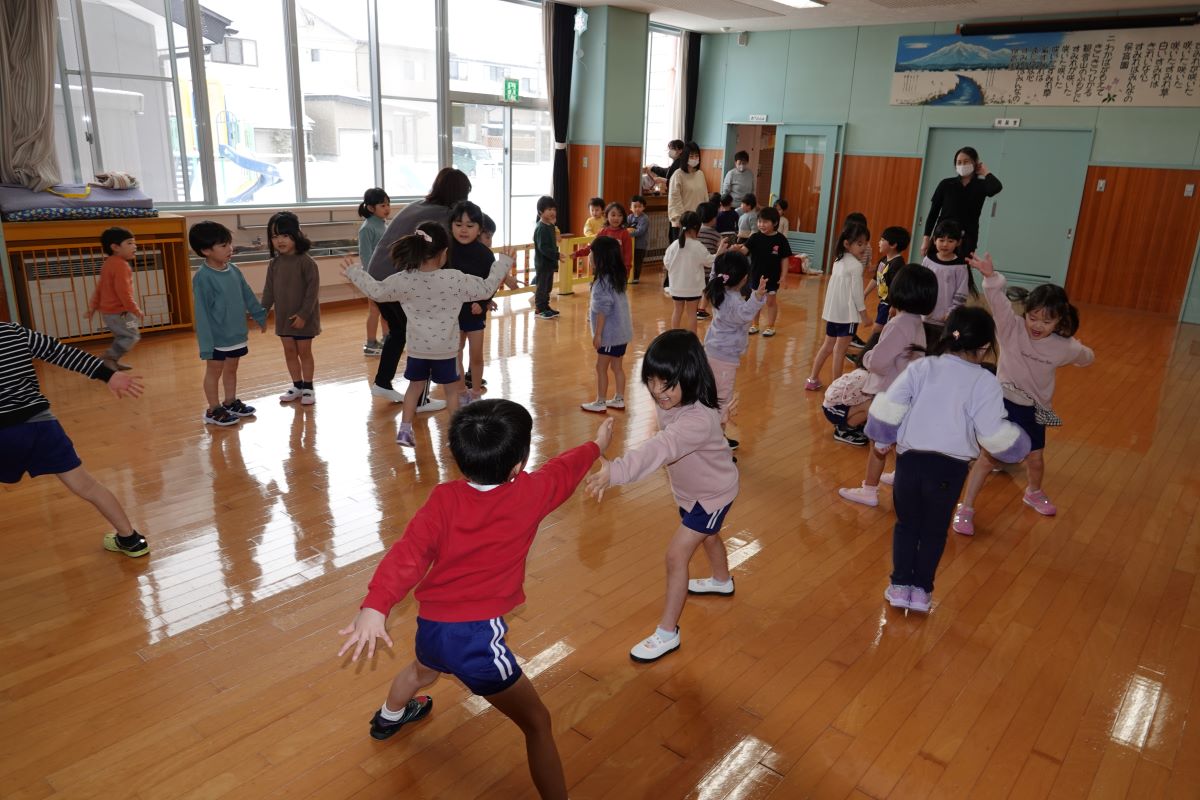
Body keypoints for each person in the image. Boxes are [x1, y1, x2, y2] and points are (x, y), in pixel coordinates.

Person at [337, 399, 613, 800]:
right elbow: (563, 471)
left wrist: (376, 605)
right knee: (537, 722)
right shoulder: (531, 492)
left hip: (433, 627)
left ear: (459, 456)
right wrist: (596, 445)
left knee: (421, 672)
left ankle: (388, 718)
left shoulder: (443, 499)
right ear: (518, 464)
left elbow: (408, 554)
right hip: (476, 642)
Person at [865, 306, 1030, 613]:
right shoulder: (984, 381)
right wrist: (1015, 445)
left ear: (946, 336)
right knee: (933, 531)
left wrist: (885, 440)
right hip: (949, 470)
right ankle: (922, 592)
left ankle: (899, 586)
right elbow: (992, 432)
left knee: (907, 526)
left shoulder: (921, 367)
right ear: (983, 347)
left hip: (911, 463)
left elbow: (891, 406)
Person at [586, 330, 738, 662]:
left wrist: (616, 471)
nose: (657, 391)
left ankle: (667, 632)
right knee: (709, 536)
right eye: (652, 381)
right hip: (692, 493)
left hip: (711, 494)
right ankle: (721, 580)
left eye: (666, 384)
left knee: (676, 556)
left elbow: (661, 447)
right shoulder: (677, 401)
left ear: (689, 376)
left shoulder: (695, 419)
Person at [952, 253, 1095, 535]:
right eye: (1033, 317)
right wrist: (991, 277)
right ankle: (965, 507)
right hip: (1004, 404)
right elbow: (997, 301)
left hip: (1036, 410)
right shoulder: (1011, 329)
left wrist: (1080, 350)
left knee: (1036, 459)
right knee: (987, 458)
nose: (1037, 325)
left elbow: (1086, 357)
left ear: (1059, 322)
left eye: (1047, 321)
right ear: (1025, 313)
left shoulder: (1062, 347)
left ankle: (1033, 491)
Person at [345, 222, 516, 447]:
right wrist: (503, 263)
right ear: (444, 252)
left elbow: (376, 290)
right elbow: (485, 289)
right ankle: (455, 436)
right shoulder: (454, 279)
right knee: (452, 392)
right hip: (445, 351)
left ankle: (405, 430)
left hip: (418, 350)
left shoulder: (404, 279)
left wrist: (355, 274)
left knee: (414, 388)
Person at [0, 322, 148, 557]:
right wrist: (107, 375)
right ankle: (130, 539)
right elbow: (61, 353)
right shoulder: (13, 331)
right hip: (40, 425)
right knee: (86, 485)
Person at [366, 167, 472, 411]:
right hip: (395, 276)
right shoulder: (443, 214)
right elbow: (441, 256)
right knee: (420, 332)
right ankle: (420, 399)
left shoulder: (419, 205)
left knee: (400, 331)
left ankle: (383, 382)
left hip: (378, 274)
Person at [838, 264, 938, 507]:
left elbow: (879, 362)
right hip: (906, 394)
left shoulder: (898, 323)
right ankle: (899, 476)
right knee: (897, 439)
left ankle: (869, 490)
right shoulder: (917, 323)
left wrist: (869, 356)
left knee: (877, 443)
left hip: (887, 394)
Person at [189, 220, 267, 427]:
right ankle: (213, 409)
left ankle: (230, 401)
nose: (230, 249)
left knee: (232, 368)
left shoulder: (233, 270)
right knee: (214, 371)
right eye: (223, 245)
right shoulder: (203, 278)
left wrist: (259, 314)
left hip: (236, 333)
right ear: (206, 250)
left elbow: (247, 293)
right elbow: (202, 314)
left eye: (229, 244)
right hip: (217, 338)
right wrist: (206, 345)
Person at [703, 251, 767, 452]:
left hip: (712, 351)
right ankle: (716, 442)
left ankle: (713, 436)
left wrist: (720, 254)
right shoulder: (734, 301)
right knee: (723, 398)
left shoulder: (718, 291)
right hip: (725, 358)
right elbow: (744, 314)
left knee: (712, 395)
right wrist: (757, 296)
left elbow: (714, 274)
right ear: (744, 277)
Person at [262, 212, 321, 406]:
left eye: (285, 235)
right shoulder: (274, 264)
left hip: (304, 318)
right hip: (284, 318)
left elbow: (312, 293)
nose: (280, 240)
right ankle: (297, 385)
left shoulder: (306, 262)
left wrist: (304, 315)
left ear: (297, 234)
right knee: (289, 351)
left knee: (304, 352)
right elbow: (269, 290)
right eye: (275, 236)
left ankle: (308, 387)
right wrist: (263, 312)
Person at [805, 221, 871, 390]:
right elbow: (857, 294)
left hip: (833, 314)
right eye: (859, 243)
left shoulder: (838, 261)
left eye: (865, 243)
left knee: (828, 346)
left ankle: (812, 379)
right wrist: (864, 315)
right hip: (847, 316)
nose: (863, 247)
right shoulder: (855, 266)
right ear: (847, 244)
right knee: (839, 351)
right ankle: (836, 387)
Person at [447, 201, 499, 403]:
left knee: (476, 355)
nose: (463, 230)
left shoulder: (485, 254)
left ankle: (476, 392)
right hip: (453, 313)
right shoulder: (446, 251)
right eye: (458, 224)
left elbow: (491, 282)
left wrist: (485, 301)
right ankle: (461, 392)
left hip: (476, 313)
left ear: (479, 229)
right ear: (451, 225)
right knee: (456, 352)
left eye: (470, 226)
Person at [580, 236, 633, 413]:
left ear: (599, 257)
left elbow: (603, 309)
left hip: (610, 335)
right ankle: (619, 399)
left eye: (591, 253)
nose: (589, 257)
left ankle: (600, 401)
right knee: (617, 367)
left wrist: (598, 334)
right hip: (621, 334)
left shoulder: (602, 282)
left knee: (600, 367)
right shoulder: (617, 277)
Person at [920, 146, 1002, 259]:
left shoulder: (981, 185)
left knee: (961, 271)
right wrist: (926, 239)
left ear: (975, 163)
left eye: (966, 161)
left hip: (967, 238)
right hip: (942, 236)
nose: (962, 165)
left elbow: (996, 187)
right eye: (959, 162)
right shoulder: (946, 184)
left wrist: (985, 171)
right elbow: (933, 213)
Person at [88, 226, 142, 371]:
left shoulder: (108, 263)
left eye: (134, 243)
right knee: (131, 336)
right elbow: (123, 292)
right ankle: (108, 359)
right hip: (119, 312)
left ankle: (112, 361)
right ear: (115, 247)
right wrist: (135, 309)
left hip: (109, 312)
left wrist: (93, 307)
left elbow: (100, 287)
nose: (135, 246)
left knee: (123, 336)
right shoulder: (121, 266)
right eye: (130, 243)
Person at [663, 211, 727, 333]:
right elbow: (709, 262)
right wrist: (719, 252)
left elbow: (666, 263)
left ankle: (673, 337)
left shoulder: (674, 245)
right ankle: (692, 340)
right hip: (693, 288)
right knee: (692, 314)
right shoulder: (697, 245)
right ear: (696, 228)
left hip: (676, 287)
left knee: (677, 311)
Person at [921, 218, 975, 340]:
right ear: (934, 240)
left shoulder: (960, 266)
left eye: (950, 241)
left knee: (952, 339)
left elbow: (961, 293)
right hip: (926, 316)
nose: (945, 244)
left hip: (947, 319)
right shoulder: (927, 261)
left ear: (958, 243)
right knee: (923, 344)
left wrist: (952, 312)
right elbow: (920, 286)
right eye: (941, 240)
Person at [743, 206, 792, 337]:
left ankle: (770, 326)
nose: (761, 225)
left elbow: (784, 259)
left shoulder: (781, 239)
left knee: (770, 302)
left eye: (765, 222)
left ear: (775, 223)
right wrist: (736, 248)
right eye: (759, 222)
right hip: (756, 276)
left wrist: (783, 276)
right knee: (755, 301)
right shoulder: (754, 237)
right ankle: (755, 324)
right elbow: (744, 251)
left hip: (772, 277)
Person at [666, 142, 709, 279]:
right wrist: (681, 219)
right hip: (682, 222)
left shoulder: (700, 174)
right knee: (679, 255)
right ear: (685, 156)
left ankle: (690, 280)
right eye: (691, 155)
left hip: (698, 222)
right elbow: (674, 200)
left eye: (697, 155)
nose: (694, 158)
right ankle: (671, 281)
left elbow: (704, 197)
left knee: (694, 255)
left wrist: (705, 217)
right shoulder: (678, 175)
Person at [861, 226, 911, 343]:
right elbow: (876, 278)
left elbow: (897, 287)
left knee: (877, 330)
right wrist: (865, 293)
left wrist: (894, 306)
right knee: (881, 331)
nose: (879, 242)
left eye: (883, 240)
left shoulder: (898, 264)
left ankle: (867, 354)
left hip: (889, 303)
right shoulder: (884, 260)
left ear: (893, 245)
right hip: (883, 302)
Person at [357, 188, 391, 356]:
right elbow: (365, 255)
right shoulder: (367, 228)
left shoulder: (384, 224)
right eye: (382, 205)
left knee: (386, 310)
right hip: (373, 277)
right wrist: (372, 277)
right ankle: (371, 343)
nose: (387, 208)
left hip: (385, 275)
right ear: (371, 208)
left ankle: (387, 339)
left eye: (388, 204)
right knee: (375, 311)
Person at [575, 201, 632, 269]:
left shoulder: (624, 233)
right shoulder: (603, 232)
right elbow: (593, 247)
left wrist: (626, 269)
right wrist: (577, 253)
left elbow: (628, 254)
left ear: (623, 217)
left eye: (620, 215)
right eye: (613, 215)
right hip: (603, 268)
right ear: (607, 216)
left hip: (618, 269)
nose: (616, 218)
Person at [532, 196, 564, 320]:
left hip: (549, 263)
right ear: (540, 212)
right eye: (549, 209)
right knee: (542, 287)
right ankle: (539, 309)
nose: (552, 212)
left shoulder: (550, 226)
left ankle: (546, 307)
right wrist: (556, 255)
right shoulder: (541, 227)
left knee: (548, 287)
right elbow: (543, 248)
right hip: (543, 263)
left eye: (554, 209)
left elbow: (553, 242)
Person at [627, 195, 649, 284]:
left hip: (640, 245)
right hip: (630, 244)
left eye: (639, 206)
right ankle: (629, 276)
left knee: (637, 262)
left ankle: (636, 277)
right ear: (630, 208)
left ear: (643, 207)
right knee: (630, 260)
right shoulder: (629, 217)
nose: (637, 209)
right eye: (635, 206)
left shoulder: (644, 218)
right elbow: (626, 226)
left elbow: (640, 231)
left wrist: (627, 234)